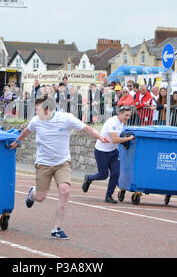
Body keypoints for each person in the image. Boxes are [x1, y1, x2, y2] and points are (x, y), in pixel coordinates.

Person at [9, 94, 108, 240]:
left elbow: (86, 128)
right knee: (41, 197)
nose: (36, 113)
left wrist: (100, 137)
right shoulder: (36, 121)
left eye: (38, 110)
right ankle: (32, 193)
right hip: (43, 163)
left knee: (65, 190)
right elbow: (26, 132)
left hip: (62, 162)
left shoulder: (66, 118)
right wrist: (16, 142)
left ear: (47, 109)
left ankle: (56, 228)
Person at [82, 106, 135, 203]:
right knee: (103, 175)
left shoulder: (121, 123)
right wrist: (128, 139)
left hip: (113, 152)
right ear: (120, 114)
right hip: (101, 151)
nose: (127, 117)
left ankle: (108, 196)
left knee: (116, 173)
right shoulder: (113, 122)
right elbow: (115, 139)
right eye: (126, 115)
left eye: (129, 116)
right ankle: (89, 178)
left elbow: (118, 137)